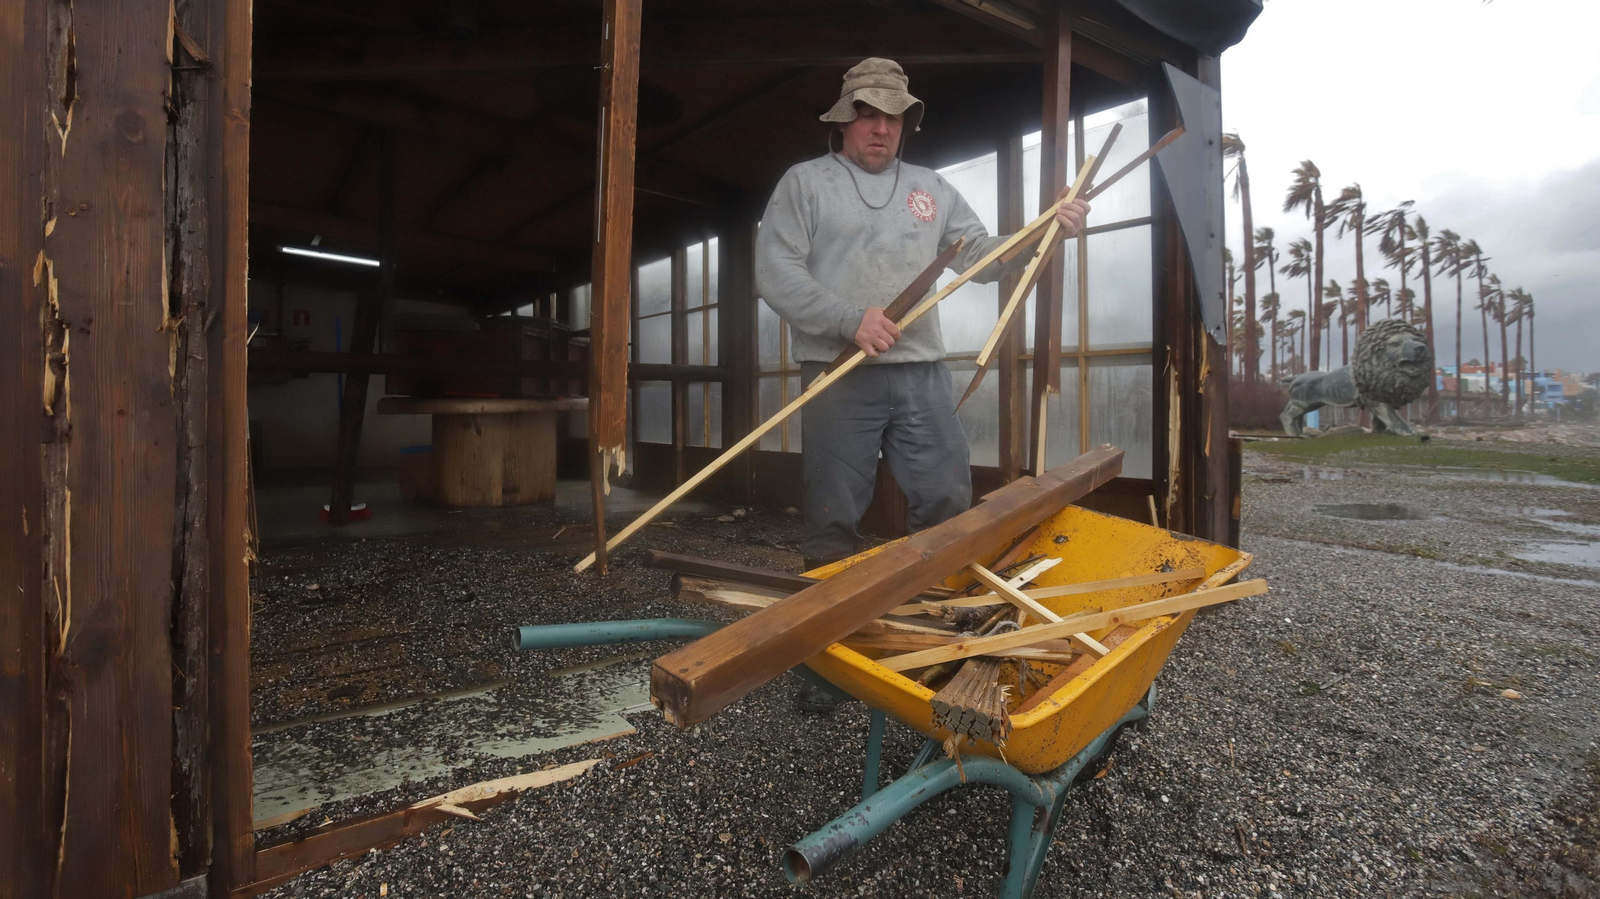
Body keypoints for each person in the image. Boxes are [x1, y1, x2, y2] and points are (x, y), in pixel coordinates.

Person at [756, 58, 1091, 574]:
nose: (881, 127)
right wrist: (850, 319)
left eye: (894, 117)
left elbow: (979, 257)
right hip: (838, 370)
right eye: (868, 114)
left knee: (945, 495)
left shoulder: (930, 188)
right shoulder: (806, 184)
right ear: (844, 119)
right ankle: (825, 625)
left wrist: (1045, 229)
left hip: (922, 372)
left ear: (906, 125)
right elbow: (776, 272)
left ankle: (930, 605)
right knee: (832, 509)